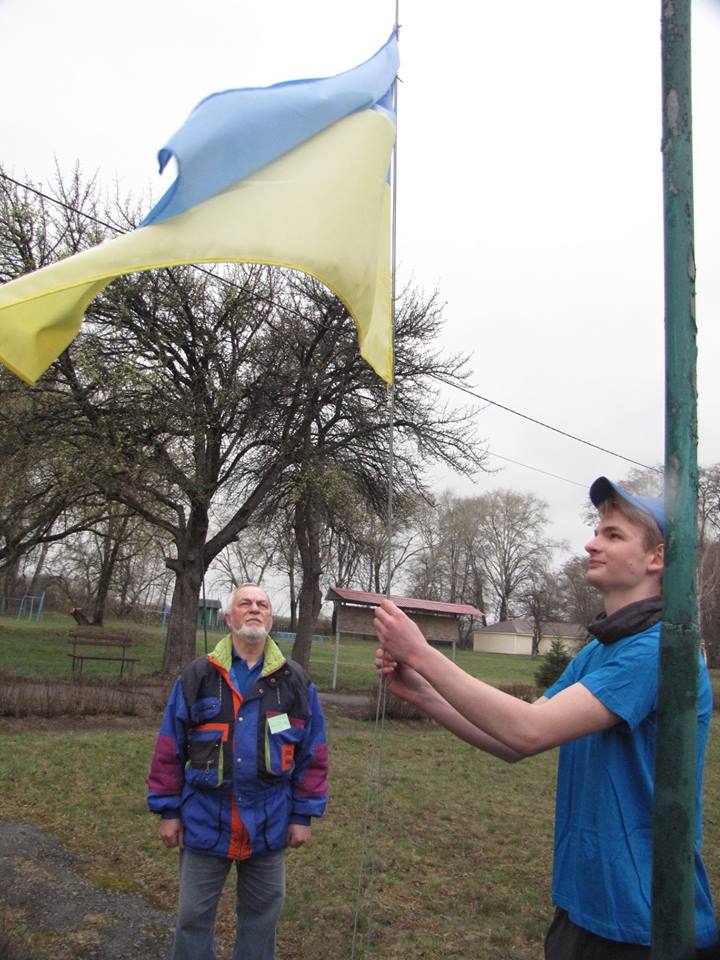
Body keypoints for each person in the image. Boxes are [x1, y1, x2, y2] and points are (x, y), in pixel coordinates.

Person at [374, 477, 719, 959]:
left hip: (647, 925)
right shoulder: (601, 650)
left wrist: (423, 654)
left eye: (613, 535)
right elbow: (515, 738)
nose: (591, 542)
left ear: (656, 558)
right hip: (583, 908)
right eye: (597, 530)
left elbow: (528, 732)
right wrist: (424, 694)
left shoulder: (660, 650)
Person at [147, 583, 328, 960]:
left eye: (262, 604)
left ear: (270, 619)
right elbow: (169, 747)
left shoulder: (295, 682)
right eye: (244, 603)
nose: (254, 609)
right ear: (228, 618)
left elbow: (314, 753)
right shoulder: (198, 676)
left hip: (270, 823)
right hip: (204, 820)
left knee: (262, 919)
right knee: (192, 917)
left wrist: (302, 815)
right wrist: (168, 810)